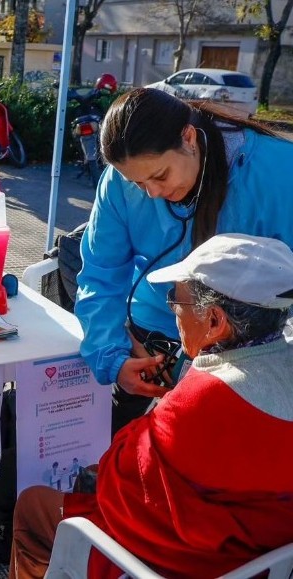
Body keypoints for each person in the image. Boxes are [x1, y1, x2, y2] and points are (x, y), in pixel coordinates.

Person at [9, 233, 293, 578]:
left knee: (33, 504)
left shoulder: (204, 398)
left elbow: (118, 481)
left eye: (177, 301)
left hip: (180, 563)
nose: (173, 310)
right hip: (262, 560)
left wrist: (172, 401)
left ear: (215, 322)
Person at [75, 87, 293, 436]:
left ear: (189, 138)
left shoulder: (280, 172)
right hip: (150, 351)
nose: (152, 194)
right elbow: (101, 274)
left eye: (160, 176)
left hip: (248, 366)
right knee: (120, 461)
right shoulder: (121, 180)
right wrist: (112, 359)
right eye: (137, 183)